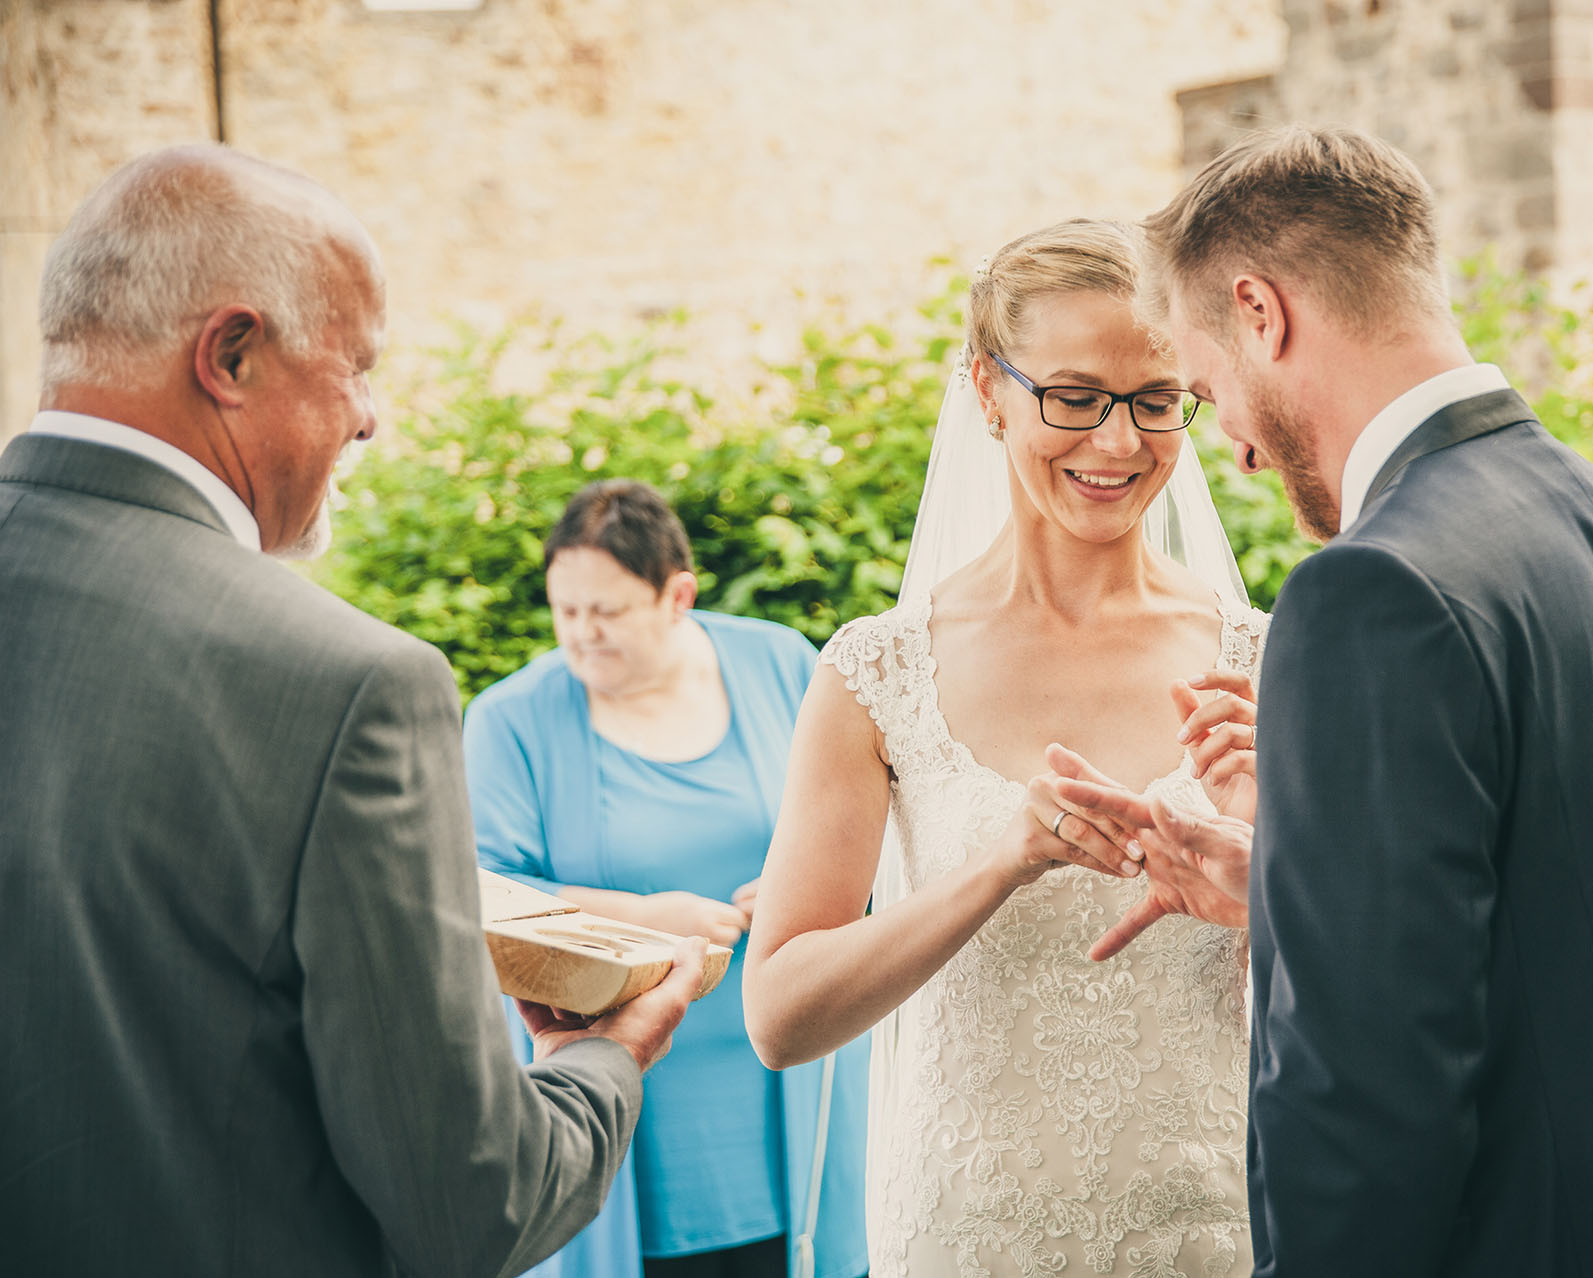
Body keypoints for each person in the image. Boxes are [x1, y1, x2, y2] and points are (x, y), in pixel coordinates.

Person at [1055, 126, 1593, 1277]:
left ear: (1260, 311)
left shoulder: (1371, 590)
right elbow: (1578, 927)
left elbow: (1368, 1085)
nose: (1231, 449)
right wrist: (1289, 889)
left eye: (1203, 391)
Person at [0, 145, 708, 1277]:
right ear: (231, 354)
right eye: (358, 366)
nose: (371, 420)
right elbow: (474, 1204)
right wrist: (605, 1060)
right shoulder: (347, 686)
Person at [742, 219, 1266, 1277]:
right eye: (1073, 397)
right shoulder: (878, 672)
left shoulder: (1266, 664)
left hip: (1211, 1230)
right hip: (970, 1234)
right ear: (988, 390)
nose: (1117, 443)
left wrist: (1271, 868)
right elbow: (781, 1017)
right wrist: (1002, 863)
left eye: (1154, 400)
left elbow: (1374, 991)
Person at [464, 478, 868, 1278]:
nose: (581, 634)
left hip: (791, 1086)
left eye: (607, 612)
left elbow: (872, 819)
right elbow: (479, 892)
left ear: (677, 596)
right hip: (628, 1107)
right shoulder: (510, 719)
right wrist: (644, 918)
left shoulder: (784, 663)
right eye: (565, 610)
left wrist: (818, 881)